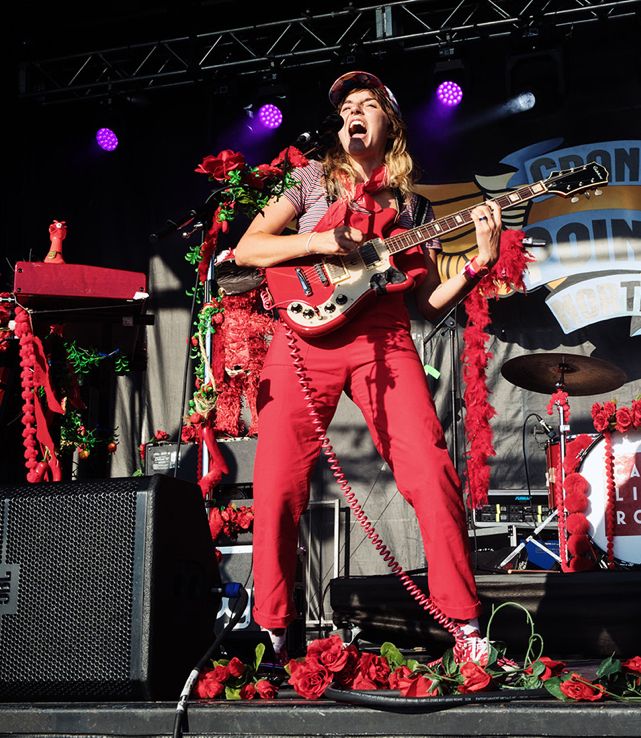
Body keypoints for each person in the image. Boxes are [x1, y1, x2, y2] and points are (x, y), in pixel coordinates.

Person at [233, 71, 502, 664]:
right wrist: (318, 245)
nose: (354, 113)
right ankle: (273, 632)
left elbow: (428, 301)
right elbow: (249, 249)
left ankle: (466, 628)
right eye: (347, 107)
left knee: (430, 472)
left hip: (382, 338)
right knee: (277, 484)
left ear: (391, 127)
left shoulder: (413, 207)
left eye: (368, 106)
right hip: (303, 339)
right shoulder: (308, 181)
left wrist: (479, 265)